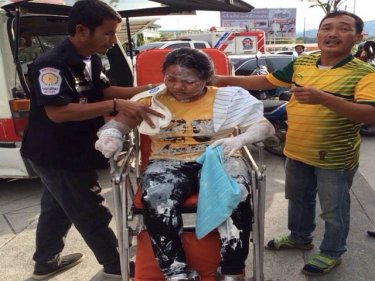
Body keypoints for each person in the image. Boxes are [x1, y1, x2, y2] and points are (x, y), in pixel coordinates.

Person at [214, 11, 375, 276]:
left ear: (359, 36)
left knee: (335, 210)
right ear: (319, 33)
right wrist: (226, 80)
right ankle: (299, 237)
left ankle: (332, 252)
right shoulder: (303, 62)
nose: (333, 33)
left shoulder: (364, 73)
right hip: (296, 149)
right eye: (326, 28)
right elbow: (267, 81)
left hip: (335, 157)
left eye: (343, 29)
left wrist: (323, 98)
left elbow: (370, 114)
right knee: (298, 199)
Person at [95, 47, 275, 281]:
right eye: (171, 78)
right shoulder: (149, 100)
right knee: (157, 199)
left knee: (237, 194)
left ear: (206, 78)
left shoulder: (229, 98)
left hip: (218, 157)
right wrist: (111, 136)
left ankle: (232, 270)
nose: (178, 86)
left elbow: (265, 127)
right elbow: (119, 124)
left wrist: (240, 139)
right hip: (167, 162)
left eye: (188, 81)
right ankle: (176, 272)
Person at [20, 0, 163, 280]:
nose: (113, 40)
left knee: (56, 209)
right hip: (55, 154)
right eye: (108, 33)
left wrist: (148, 89)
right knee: (90, 211)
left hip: (75, 148)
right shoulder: (51, 64)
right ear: (82, 30)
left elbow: (105, 90)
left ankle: (45, 263)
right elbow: (58, 112)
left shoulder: (90, 58)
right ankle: (116, 268)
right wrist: (116, 107)